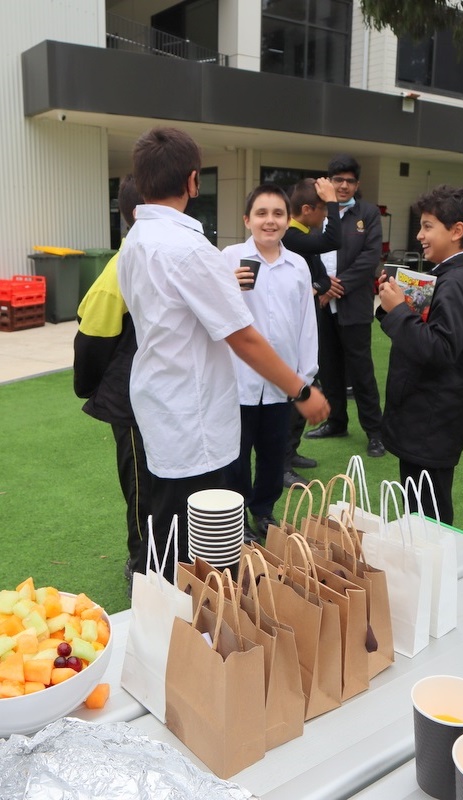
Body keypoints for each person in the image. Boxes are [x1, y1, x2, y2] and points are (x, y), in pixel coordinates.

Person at [117, 128, 329, 577]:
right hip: (189, 409)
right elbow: (244, 337)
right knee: (195, 528)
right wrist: (301, 390)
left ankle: (156, 594)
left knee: (166, 517)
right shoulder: (188, 247)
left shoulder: (137, 238)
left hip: (161, 396)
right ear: (194, 182)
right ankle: (183, 615)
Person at [376, 184, 463, 524]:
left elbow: (439, 348)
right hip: (424, 417)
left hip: (433, 420)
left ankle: (434, 574)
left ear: (457, 231)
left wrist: (397, 311)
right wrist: (392, 304)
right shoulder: (444, 276)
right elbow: (419, 333)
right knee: (419, 508)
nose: (419, 235)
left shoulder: (455, 282)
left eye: (427, 226)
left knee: (429, 513)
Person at [221, 183, 319, 541]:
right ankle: (236, 519)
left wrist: (303, 376)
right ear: (247, 219)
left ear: (289, 220)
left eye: (278, 213)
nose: (270, 221)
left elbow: (307, 323)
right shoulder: (228, 258)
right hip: (237, 380)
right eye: (261, 213)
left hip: (282, 382)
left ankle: (264, 511)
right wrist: (226, 287)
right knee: (236, 455)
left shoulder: (298, 266)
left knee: (273, 453)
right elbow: (210, 313)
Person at [73, 174, 150, 583]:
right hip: (133, 401)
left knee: (163, 482)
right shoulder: (118, 270)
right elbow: (91, 340)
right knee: (140, 484)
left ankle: (169, 558)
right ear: (140, 214)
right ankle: (141, 565)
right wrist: (91, 388)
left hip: (163, 396)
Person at [304, 154, 386, 458]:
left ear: (357, 184)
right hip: (322, 304)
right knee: (329, 367)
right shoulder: (319, 211)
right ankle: (336, 422)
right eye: (338, 179)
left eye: (350, 180)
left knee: (361, 370)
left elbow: (370, 257)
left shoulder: (368, 213)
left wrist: (339, 285)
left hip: (354, 304)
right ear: (328, 181)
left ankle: (375, 432)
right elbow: (308, 251)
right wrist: (322, 284)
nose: (344, 185)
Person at [282, 176, 342, 487]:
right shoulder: (292, 236)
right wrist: (333, 200)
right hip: (291, 329)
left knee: (306, 383)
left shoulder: (304, 235)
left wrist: (317, 287)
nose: (326, 217)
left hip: (306, 323)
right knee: (296, 390)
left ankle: (289, 453)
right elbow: (334, 241)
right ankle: (281, 463)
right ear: (308, 209)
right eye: (323, 211)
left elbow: (320, 279)